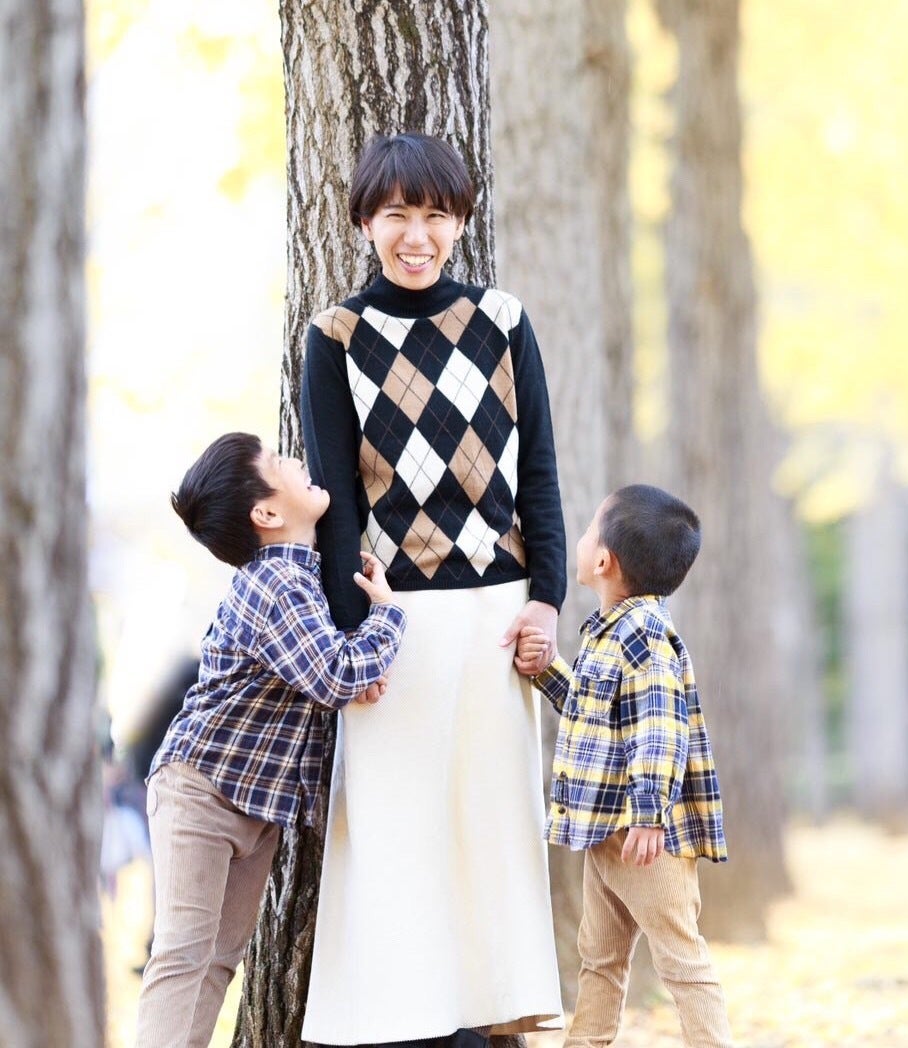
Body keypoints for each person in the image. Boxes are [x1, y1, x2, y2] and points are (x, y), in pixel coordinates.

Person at [299, 131, 565, 1046]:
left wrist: (547, 598)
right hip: (393, 618)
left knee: (493, 825)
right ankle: (403, 1022)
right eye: (397, 215)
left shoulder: (502, 320)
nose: (417, 236)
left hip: (497, 608)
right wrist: (350, 641)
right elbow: (335, 501)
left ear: (460, 223)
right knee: (394, 827)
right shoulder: (336, 337)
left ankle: (491, 1018)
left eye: (436, 215)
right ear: (364, 223)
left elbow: (540, 475)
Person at [135, 432, 406, 1048]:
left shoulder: (303, 581)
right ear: (266, 513)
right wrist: (386, 618)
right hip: (201, 791)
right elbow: (334, 675)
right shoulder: (274, 583)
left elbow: (324, 670)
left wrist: (357, 666)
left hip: (258, 807)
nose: (299, 461)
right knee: (183, 954)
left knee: (218, 961)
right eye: (281, 462)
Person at [518, 484, 733, 1048]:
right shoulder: (610, 631)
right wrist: (547, 669)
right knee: (600, 957)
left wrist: (649, 814)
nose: (582, 538)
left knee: (681, 959)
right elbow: (596, 716)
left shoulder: (644, 637)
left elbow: (660, 731)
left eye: (590, 529)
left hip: (645, 838)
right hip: (608, 831)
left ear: (604, 561)